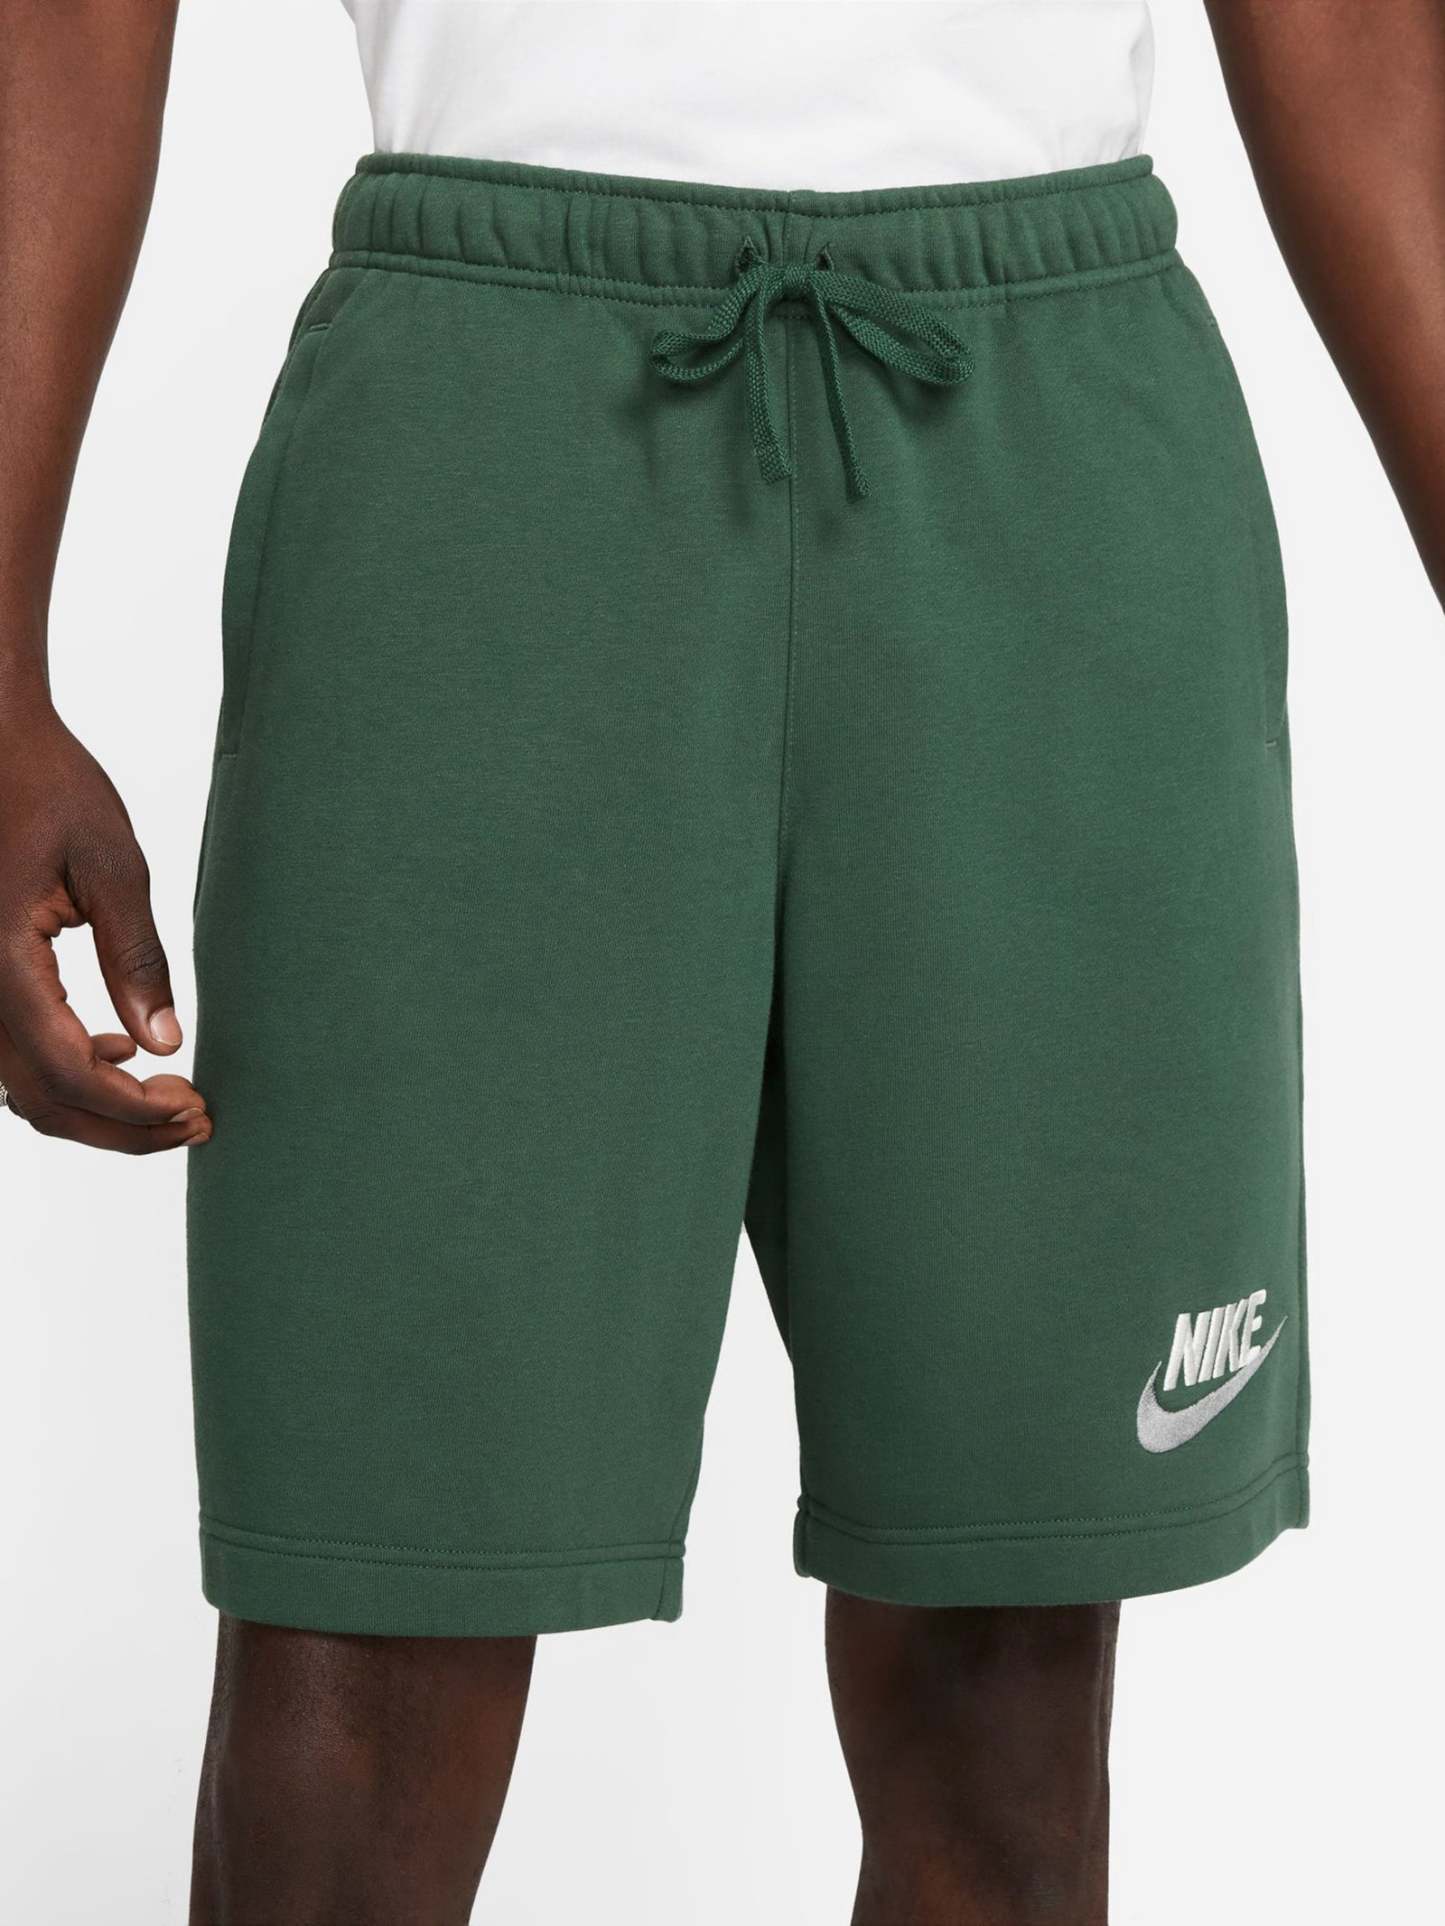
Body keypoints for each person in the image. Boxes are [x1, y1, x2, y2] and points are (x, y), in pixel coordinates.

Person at [1, 2, 1441, 1920]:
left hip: (1050, 428)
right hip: (482, 437)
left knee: (1010, 1684)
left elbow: (1344, 32)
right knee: (365, 1628)